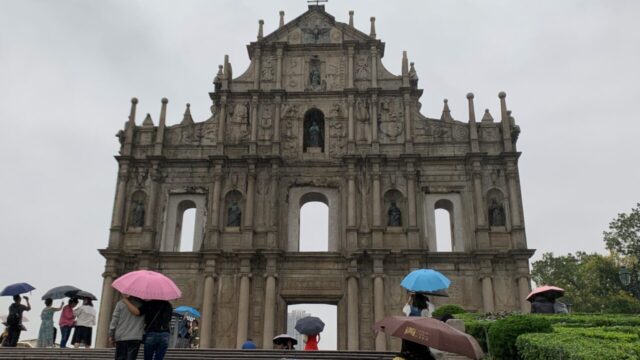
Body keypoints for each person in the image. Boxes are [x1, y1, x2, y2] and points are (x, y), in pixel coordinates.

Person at [109, 295, 145, 360]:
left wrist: (111, 334)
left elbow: (115, 320)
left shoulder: (120, 303)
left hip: (121, 336)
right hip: (135, 337)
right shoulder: (143, 304)